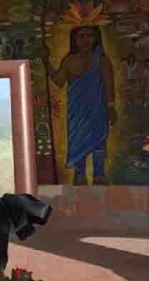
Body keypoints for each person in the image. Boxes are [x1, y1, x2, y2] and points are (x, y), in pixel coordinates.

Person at [45, 26, 116, 186]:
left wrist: (111, 107)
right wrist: (46, 61)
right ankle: (79, 174)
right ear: (75, 40)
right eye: (81, 36)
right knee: (78, 140)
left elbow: (109, 84)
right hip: (76, 110)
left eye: (89, 36)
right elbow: (59, 81)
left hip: (97, 108)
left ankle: (99, 174)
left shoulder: (102, 60)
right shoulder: (69, 61)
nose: (85, 40)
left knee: (99, 141)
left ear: (95, 38)